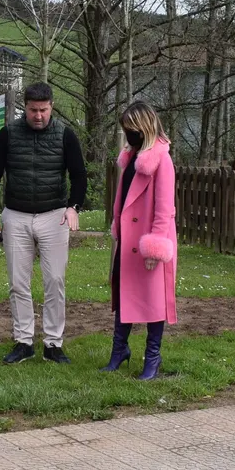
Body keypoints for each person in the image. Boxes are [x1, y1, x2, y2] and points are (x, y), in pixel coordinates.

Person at [0, 82, 87, 364]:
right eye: (32, 110)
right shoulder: (8, 134)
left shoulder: (66, 135)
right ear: (24, 108)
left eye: (43, 110)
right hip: (16, 215)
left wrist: (73, 208)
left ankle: (53, 343)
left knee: (55, 280)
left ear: (51, 106)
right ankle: (23, 341)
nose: (38, 115)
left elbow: (79, 176)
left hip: (54, 215)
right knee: (18, 282)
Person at [102, 101, 177, 380]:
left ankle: (152, 359)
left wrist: (155, 247)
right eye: (125, 130)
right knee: (124, 294)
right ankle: (119, 351)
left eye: (131, 129)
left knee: (154, 299)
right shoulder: (132, 156)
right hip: (128, 240)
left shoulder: (162, 159)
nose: (128, 134)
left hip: (149, 242)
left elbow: (164, 208)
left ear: (144, 127)